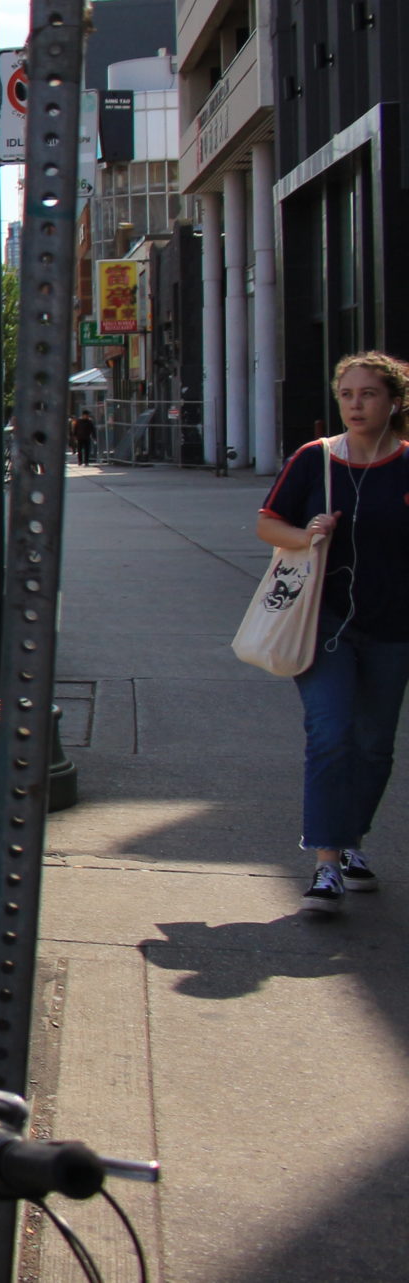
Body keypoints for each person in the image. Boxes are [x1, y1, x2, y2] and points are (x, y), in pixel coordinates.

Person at [258, 351, 409, 915]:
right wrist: (305, 535)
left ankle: (351, 843)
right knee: (330, 735)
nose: (355, 405)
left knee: (374, 748)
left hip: (394, 629)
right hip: (323, 626)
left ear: (393, 401)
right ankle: (325, 865)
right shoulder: (314, 460)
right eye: (347, 395)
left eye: (368, 394)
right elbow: (266, 522)